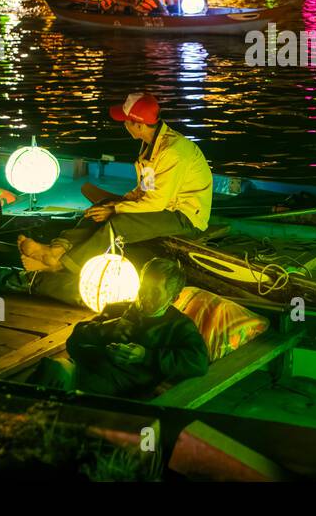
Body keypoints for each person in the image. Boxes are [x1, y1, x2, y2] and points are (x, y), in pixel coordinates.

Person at [18, 93, 212, 306]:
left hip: (183, 217)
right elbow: (145, 190)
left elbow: (157, 203)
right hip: (162, 207)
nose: (124, 126)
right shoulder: (152, 146)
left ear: (137, 124)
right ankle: (57, 249)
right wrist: (116, 203)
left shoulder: (173, 152)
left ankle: (62, 264)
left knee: (118, 223)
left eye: (125, 122)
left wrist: (117, 210)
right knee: (101, 208)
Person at [28, 258, 208, 397]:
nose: (145, 296)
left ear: (174, 298)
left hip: (115, 390)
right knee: (51, 369)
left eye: (155, 292)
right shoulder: (121, 309)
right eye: (144, 287)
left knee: (54, 383)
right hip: (85, 369)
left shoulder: (178, 326)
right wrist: (109, 331)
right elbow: (74, 341)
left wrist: (145, 356)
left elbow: (198, 362)